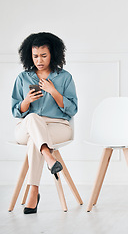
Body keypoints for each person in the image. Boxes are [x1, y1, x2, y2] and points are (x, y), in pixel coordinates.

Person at [11, 32, 78, 214]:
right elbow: (15, 110)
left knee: (36, 140)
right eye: (35, 56)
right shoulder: (23, 78)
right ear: (29, 56)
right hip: (27, 126)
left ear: (53, 54)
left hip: (58, 126)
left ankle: (33, 191)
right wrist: (26, 102)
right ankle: (49, 157)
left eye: (43, 55)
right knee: (33, 119)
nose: (39, 60)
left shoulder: (64, 77)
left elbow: (72, 110)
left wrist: (54, 92)